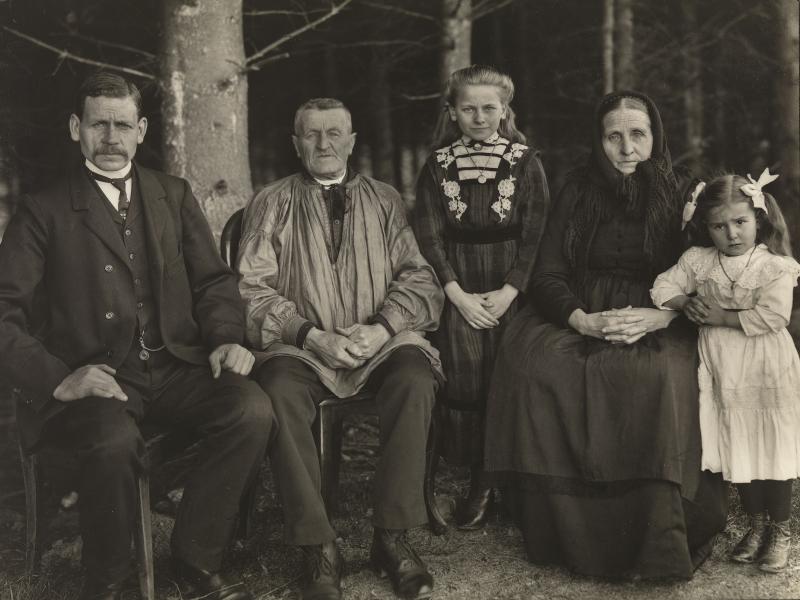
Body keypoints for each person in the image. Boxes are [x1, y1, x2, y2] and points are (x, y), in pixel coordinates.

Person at [0, 72, 272, 600]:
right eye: (98, 123)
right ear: (76, 127)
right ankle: (109, 581)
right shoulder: (42, 209)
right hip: (95, 376)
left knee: (251, 409)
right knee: (113, 440)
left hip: (173, 366)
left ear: (141, 129)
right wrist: (59, 379)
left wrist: (222, 337)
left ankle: (195, 557)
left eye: (122, 124)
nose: (110, 137)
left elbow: (214, 281)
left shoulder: (172, 194)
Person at [483, 90, 729, 579]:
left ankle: (656, 535)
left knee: (655, 373)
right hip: (582, 308)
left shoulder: (684, 191)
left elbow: (709, 269)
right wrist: (581, 319)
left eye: (638, 135)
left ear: (655, 137)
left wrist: (664, 316)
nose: (626, 148)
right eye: (614, 136)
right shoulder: (576, 189)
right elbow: (548, 273)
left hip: (662, 311)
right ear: (599, 141)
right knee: (536, 366)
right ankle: (560, 531)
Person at [237, 98, 444, 600]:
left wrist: (381, 326)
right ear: (296, 143)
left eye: (335, 133)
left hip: (377, 342)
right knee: (279, 390)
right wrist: (312, 335)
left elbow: (419, 277)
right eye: (311, 134)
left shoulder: (385, 199)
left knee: (416, 376)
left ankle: (391, 538)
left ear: (352, 141)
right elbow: (251, 288)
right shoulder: (271, 200)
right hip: (305, 347)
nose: (324, 143)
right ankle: (317, 546)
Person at [413, 65, 550, 529]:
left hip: (512, 285)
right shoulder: (437, 163)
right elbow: (429, 236)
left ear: (505, 109)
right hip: (459, 285)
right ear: (452, 111)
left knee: (513, 375)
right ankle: (478, 476)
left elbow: (536, 234)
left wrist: (511, 290)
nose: (479, 116)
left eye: (489, 107)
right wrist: (457, 295)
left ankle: (511, 478)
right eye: (467, 108)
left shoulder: (526, 161)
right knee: (466, 377)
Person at [652, 169, 800, 573]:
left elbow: (775, 315)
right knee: (739, 442)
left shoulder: (775, 266)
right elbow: (662, 285)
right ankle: (754, 526)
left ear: (759, 219)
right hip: (724, 369)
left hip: (765, 365)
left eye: (740, 222)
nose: (731, 233)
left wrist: (720, 315)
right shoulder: (699, 261)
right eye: (719, 225)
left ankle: (780, 529)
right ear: (706, 227)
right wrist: (684, 301)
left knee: (771, 444)